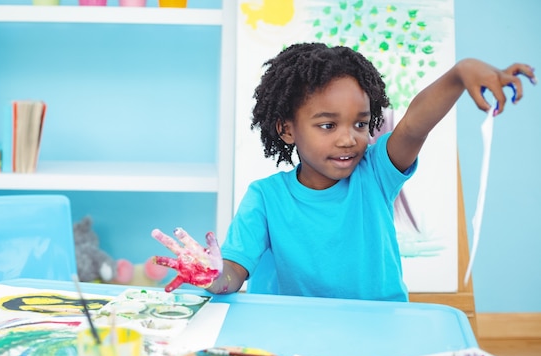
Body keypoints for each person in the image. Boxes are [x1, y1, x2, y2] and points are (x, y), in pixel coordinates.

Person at [151, 42, 535, 301]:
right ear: (287, 129)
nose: (349, 139)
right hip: (291, 341)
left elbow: (415, 124)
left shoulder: (376, 173)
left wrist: (459, 74)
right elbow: (235, 269)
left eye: (360, 123)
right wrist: (215, 277)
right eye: (327, 125)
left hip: (380, 330)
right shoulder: (266, 197)